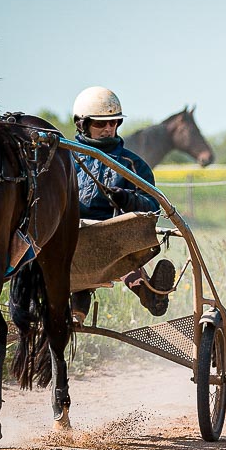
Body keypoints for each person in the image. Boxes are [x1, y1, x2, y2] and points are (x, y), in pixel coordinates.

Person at [69, 86, 176, 322]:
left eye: (115, 122)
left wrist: (128, 199)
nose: (109, 129)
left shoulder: (132, 164)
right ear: (81, 124)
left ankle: (148, 294)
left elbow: (152, 206)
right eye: (100, 124)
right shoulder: (65, 159)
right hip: (69, 236)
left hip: (112, 239)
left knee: (117, 239)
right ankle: (71, 314)